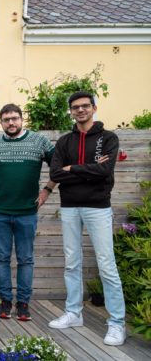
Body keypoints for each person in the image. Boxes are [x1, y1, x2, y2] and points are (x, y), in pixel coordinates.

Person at [48, 91, 126, 346]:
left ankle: (117, 323)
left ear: (94, 107)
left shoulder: (108, 138)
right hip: (70, 207)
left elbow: (105, 171)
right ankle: (73, 313)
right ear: (70, 111)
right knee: (72, 262)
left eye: (85, 106)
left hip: (98, 207)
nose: (80, 110)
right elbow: (57, 174)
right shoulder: (64, 141)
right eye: (75, 107)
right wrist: (85, 171)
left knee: (107, 265)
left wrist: (74, 169)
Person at [0, 104, 56, 322]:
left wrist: (47, 190)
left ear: (22, 119)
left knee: (25, 259)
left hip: (26, 212)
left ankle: (23, 304)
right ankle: (5, 301)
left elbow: (58, 168)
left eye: (14, 118)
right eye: (6, 120)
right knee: (1, 258)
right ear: (1, 122)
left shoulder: (39, 142)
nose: (11, 123)